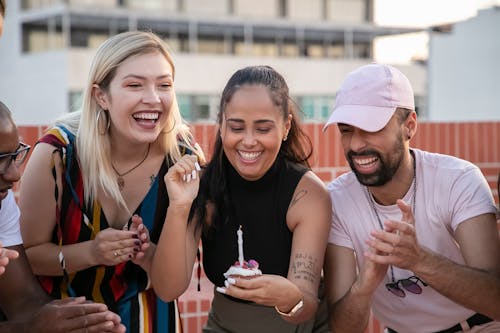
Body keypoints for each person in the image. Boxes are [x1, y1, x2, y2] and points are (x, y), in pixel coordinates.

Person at [19, 31, 203, 333]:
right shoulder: (57, 153)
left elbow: (170, 289)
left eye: (164, 85)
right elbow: (29, 258)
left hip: (151, 320)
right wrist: (91, 252)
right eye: (134, 85)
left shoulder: (185, 160)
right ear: (100, 95)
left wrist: (154, 247)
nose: (153, 98)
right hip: (66, 319)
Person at [150, 65, 332, 333]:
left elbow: (306, 302)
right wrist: (179, 206)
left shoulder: (307, 195)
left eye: (263, 129)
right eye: (236, 127)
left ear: (285, 127)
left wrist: (286, 297)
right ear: (222, 125)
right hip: (224, 324)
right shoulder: (202, 189)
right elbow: (167, 289)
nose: (248, 141)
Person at [323, 63, 500, 332]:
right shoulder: (336, 201)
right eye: (346, 130)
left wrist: (419, 260)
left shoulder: (459, 180)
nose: (356, 145)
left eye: (371, 128)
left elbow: (496, 300)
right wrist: (364, 286)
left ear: (410, 126)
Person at [0, 101, 125, 332]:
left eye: (14, 155)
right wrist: (28, 329)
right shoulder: (58, 151)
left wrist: (81, 320)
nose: (15, 174)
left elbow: (24, 301)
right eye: (0, 159)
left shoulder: (2, 203)